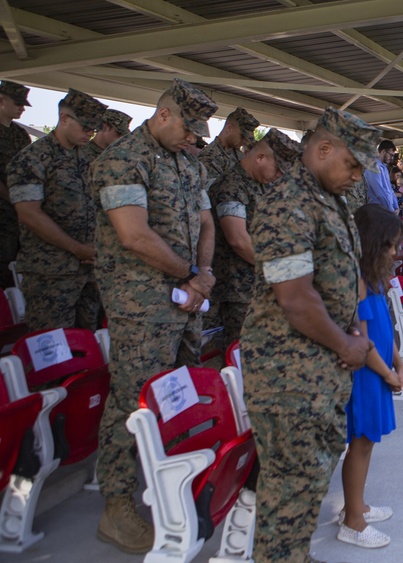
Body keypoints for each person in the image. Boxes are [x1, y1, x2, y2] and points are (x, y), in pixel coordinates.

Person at [240, 107, 378, 562]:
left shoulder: (328, 200)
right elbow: (295, 298)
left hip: (317, 371)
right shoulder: (288, 202)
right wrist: (347, 344)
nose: (356, 177)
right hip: (288, 378)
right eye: (352, 164)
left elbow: (342, 276)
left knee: (305, 489)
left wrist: (354, 332)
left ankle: (292, 554)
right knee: (290, 488)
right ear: (322, 150)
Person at [90, 78, 218, 554]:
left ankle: (171, 485)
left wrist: (201, 274)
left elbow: (205, 222)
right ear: (164, 115)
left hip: (186, 302)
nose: (195, 139)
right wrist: (190, 273)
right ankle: (117, 506)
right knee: (132, 400)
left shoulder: (188, 163)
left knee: (180, 395)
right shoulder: (123, 159)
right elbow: (133, 235)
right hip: (141, 307)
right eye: (189, 129)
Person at [7, 89, 107, 332]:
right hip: (50, 273)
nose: (90, 134)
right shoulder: (33, 158)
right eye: (85, 127)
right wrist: (76, 247)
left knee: (87, 342)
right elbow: (29, 213)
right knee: (53, 348)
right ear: (64, 118)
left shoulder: (88, 159)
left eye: (94, 129)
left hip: (88, 269)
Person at [339, 203, 403, 549]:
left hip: (381, 369)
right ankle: (352, 521)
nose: (395, 252)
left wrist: (398, 362)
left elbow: (384, 326)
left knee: (368, 444)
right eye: (389, 245)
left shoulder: (375, 276)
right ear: (370, 242)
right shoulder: (358, 281)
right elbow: (361, 340)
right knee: (361, 443)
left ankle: (357, 505)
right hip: (367, 375)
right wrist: (387, 373)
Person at [210, 128, 300, 347]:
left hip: (260, 284)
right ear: (260, 157)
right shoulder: (231, 186)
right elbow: (238, 240)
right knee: (244, 352)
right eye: (278, 169)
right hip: (239, 290)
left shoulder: (262, 185)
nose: (279, 176)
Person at [0, 80, 32, 289]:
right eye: (17, 103)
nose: (22, 108)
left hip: (17, 215)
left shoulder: (20, 134)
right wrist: (13, 199)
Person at [199, 106, 260, 186]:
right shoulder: (209, 157)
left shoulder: (238, 154)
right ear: (229, 128)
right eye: (242, 136)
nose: (245, 141)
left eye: (247, 138)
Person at [363, 139, 398, 212]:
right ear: (383, 152)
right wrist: (390, 210)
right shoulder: (373, 167)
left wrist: (396, 206)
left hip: (387, 210)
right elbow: (379, 192)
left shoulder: (384, 168)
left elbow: (390, 190)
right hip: (377, 210)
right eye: (390, 155)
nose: (391, 158)